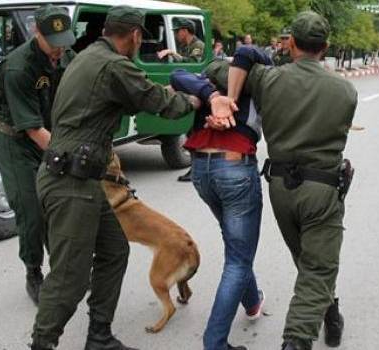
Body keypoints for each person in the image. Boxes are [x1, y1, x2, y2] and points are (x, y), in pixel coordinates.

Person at [29, 6, 201, 350]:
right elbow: (158, 100)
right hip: (70, 183)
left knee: (114, 250)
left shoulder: (89, 56)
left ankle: (99, 337)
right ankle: (41, 345)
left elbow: (114, 102)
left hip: (80, 177)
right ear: (135, 35)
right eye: (141, 38)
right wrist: (198, 99)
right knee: (69, 278)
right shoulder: (113, 65)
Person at [209, 11, 357, 350]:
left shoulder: (266, 79)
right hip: (321, 190)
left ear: (290, 44)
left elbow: (215, 69)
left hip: (280, 190)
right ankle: (297, 341)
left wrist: (258, 59)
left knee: (309, 262)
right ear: (326, 47)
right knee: (317, 268)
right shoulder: (345, 91)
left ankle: (330, 313)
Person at [171, 52, 272, 350]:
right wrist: (214, 96)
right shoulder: (249, 80)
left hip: (202, 170)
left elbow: (178, 74)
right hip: (234, 170)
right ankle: (215, 343)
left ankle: (252, 303)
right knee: (239, 259)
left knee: (236, 246)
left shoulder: (228, 80)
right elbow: (178, 73)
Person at [0, 4, 75, 307]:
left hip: (50, 138)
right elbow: (33, 130)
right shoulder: (18, 67)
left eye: (64, 42)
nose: (59, 50)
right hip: (19, 143)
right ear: (35, 32)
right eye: (52, 44)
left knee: (60, 207)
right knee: (32, 211)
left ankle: (63, 269)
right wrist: (72, 153)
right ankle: (33, 272)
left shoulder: (67, 55)